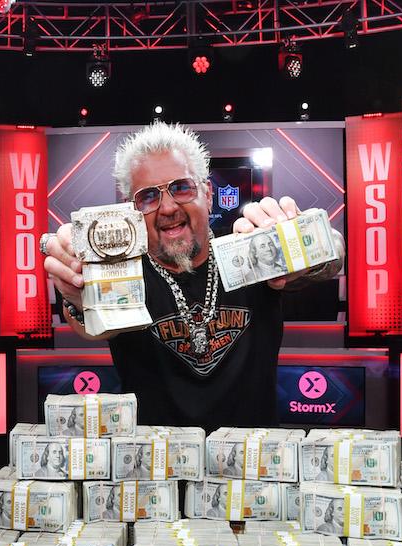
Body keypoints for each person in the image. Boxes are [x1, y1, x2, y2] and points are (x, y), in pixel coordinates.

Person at [42, 122, 344, 429]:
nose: (168, 207)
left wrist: (309, 245)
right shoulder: (121, 273)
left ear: (208, 193)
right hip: (153, 469)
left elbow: (335, 250)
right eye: (148, 197)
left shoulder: (251, 249)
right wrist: (79, 292)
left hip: (252, 468)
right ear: (132, 211)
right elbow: (92, 327)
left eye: (181, 188)